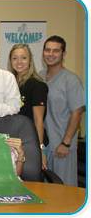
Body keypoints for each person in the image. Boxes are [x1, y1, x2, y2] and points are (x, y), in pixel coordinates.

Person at [41, 35, 85, 186]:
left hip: (61, 147)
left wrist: (65, 143)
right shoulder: (39, 76)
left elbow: (77, 112)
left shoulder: (71, 80)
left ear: (63, 54)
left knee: (64, 190)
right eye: (47, 50)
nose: (50, 54)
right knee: (45, 191)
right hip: (44, 146)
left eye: (56, 51)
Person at [7, 44, 48, 169]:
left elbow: (38, 120)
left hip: (30, 143)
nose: (19, 62)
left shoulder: (37, 85)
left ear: (30, 60)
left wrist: (40, 150)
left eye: (23, 58)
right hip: (12, 141)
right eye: (15, 58)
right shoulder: (9, 83)